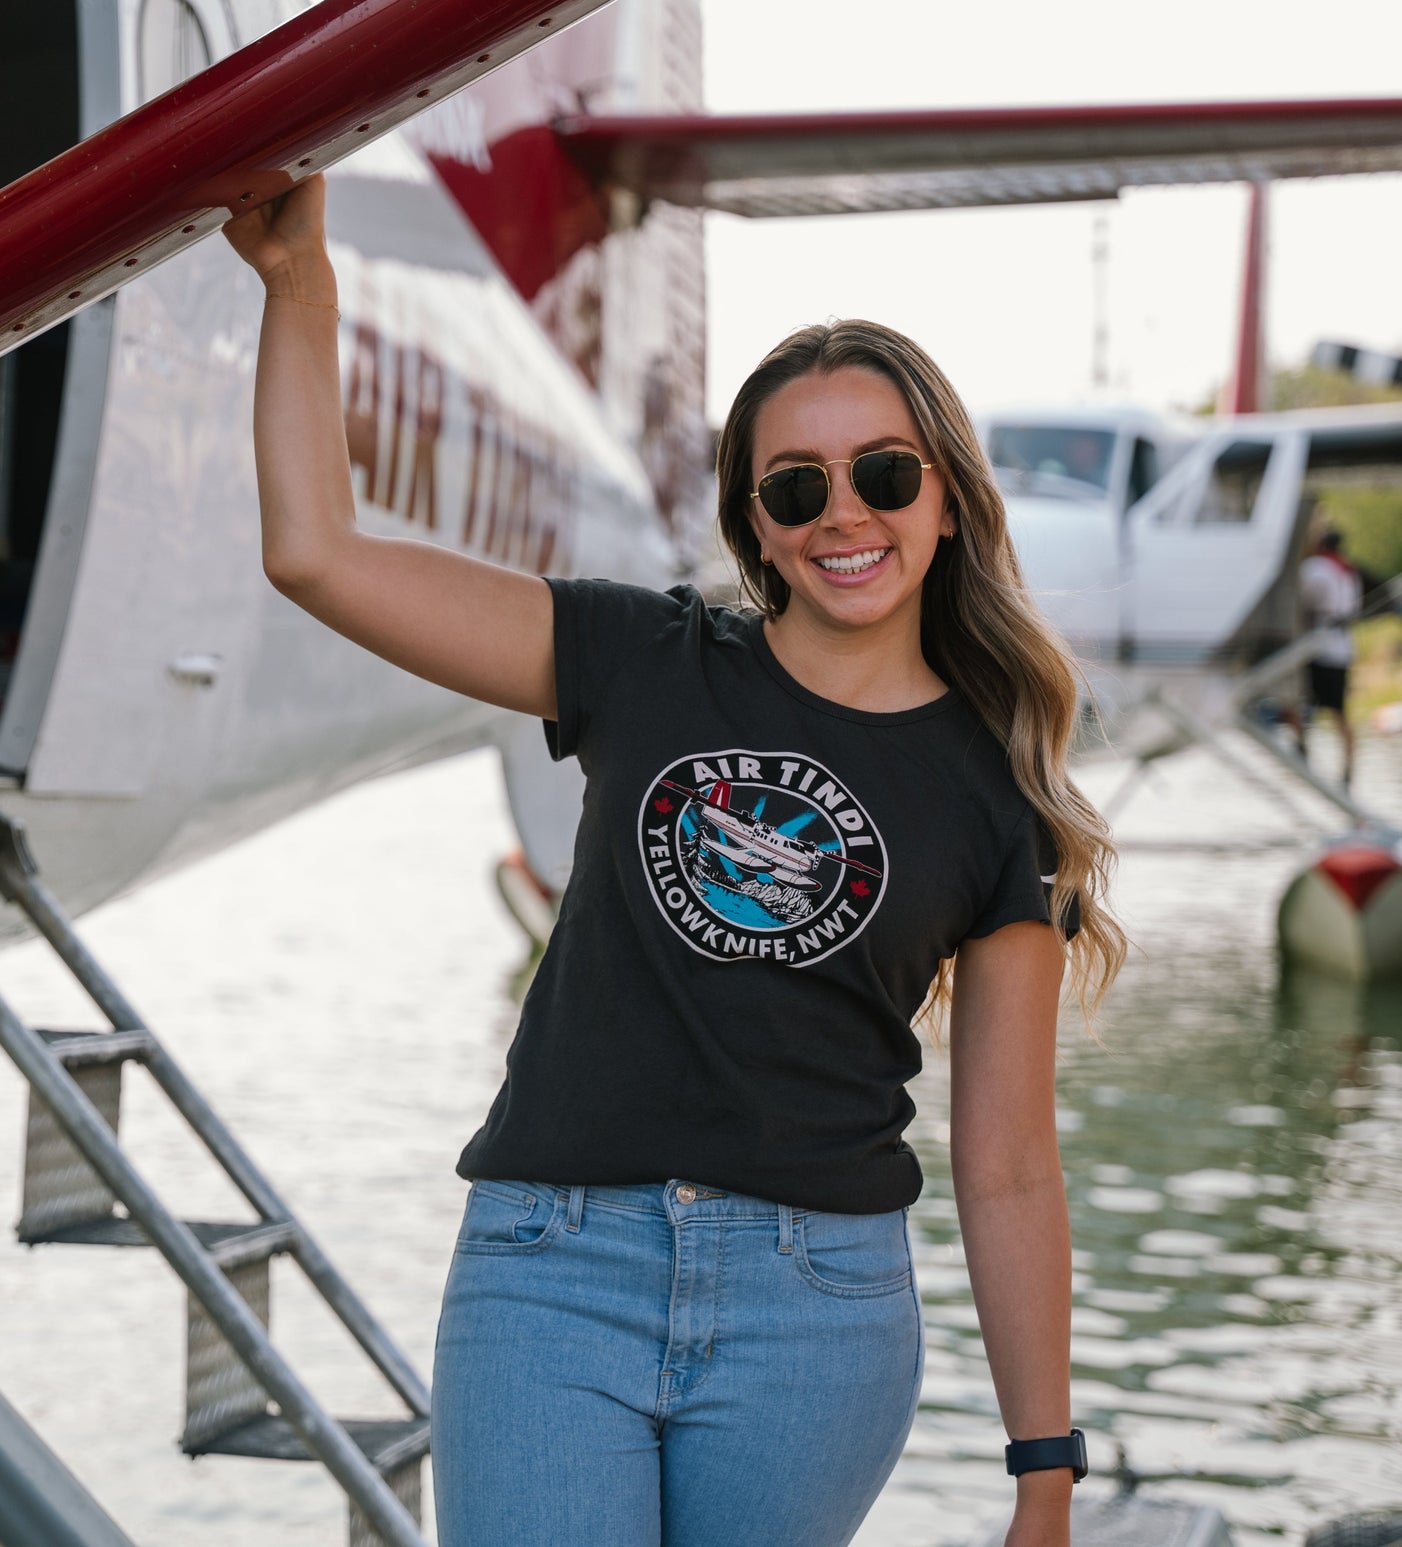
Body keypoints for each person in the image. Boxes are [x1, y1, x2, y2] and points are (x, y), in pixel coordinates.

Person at [224, 174, 1125, 1547]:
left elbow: (1002, 1162)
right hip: (551, 1270)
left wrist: (1042, 1470)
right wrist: (301, 283)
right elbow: (316, 555)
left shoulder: (1002, 792)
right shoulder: (641, 659)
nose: (844, 512)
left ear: (943, 498)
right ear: (753, 521)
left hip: (812, 1305)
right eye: (794, 483)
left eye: (884, 472)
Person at [1296, 528, 1364, 788]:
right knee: (1340, 711)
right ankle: (1348, 766)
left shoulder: (1315, 567)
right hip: (1344, 646)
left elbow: (1303, 599)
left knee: (1301, 702)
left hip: (1319, 645)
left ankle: (1302, 749)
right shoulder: (1349, 571)